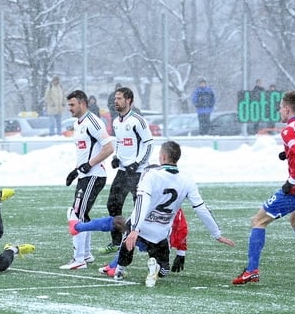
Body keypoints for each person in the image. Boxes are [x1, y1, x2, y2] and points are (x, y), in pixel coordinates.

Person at [232, 91, 295, 285]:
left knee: (258, 220)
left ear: (287, 108)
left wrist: (291, 182)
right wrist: (288, 153)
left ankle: (252, 271)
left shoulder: (289, 130)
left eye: (280, 108)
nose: (279, 112)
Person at [115, 141, 235, 286]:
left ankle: (120, 270)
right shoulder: (187, 180)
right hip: (160, 232)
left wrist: (135, 229)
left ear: (164, 157)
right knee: (164, 271)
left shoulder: (151, 174)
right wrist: (217, 234)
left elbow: (141, 202)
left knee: (126, 249)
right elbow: (201, 208)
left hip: (140, 227)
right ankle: (157, 267)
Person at [61, 90, 115, 270]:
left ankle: (79, 260)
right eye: (69, 105)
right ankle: (86, 254)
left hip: (94, 175)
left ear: (82, 104)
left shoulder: (93, 122)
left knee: (75, 214)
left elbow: (109, 147)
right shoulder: (78, 123)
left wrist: (88, 165)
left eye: (72, 105)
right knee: (82, 214)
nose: (69, 108)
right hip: (85, 176)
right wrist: (76, 171)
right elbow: (86, 151)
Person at [100, 87, 153, 254]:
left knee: (142, 208)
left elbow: (149, 144)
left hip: (138, 173)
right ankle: (117, 241)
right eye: (115, 98)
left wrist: (136, 163)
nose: (115, 101)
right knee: (113, 205)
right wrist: (116, 157)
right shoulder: (116, 122)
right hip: (123, 172)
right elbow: (122, 143)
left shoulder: (138, 121)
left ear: (128, 100)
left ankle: (148, 242)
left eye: (119, 98)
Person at [68, 206, 189, 277]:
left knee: (126, 230)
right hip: (157, 241)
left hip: (154, 240)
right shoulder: (172, 200)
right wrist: (181, 253)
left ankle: (116, 268)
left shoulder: (150, 196)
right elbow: (181, 228)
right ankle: (116, 267)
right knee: (125, 227)